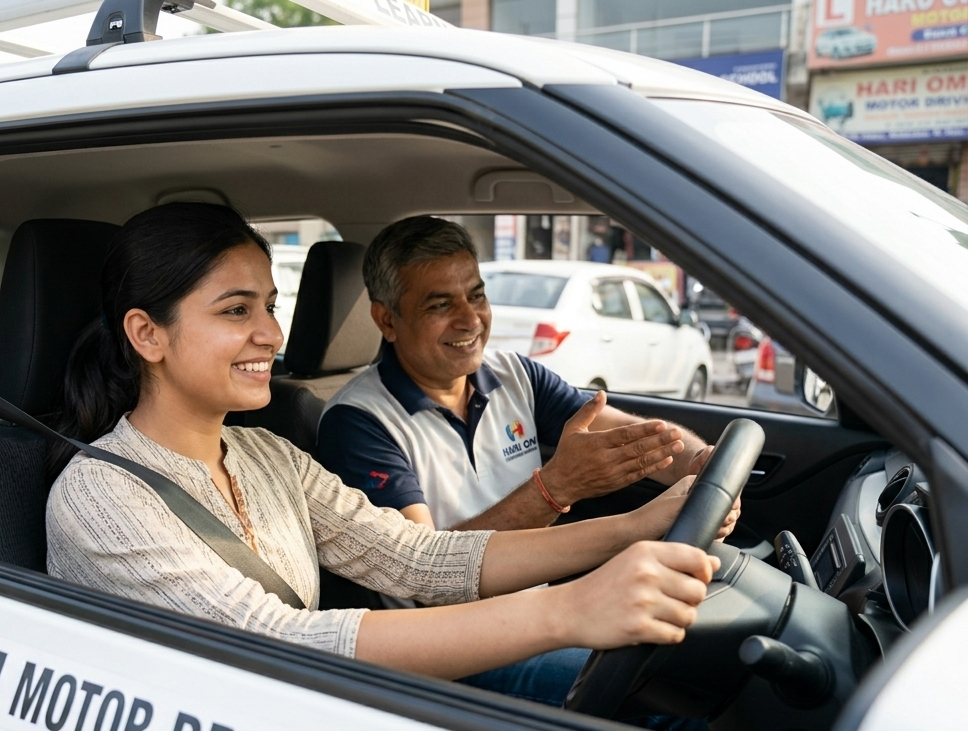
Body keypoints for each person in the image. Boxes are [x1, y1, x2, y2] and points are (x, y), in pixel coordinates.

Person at [45, 202, 718, 702]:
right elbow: (274, 640)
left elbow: (418, 558)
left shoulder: (265, 455)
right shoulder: (98, 494)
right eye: (236, 311)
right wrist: (569, 611)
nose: (272, 334)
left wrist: (638, 527)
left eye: (271, 307)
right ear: (147, 335)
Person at [316, 215, 722, 538]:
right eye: (441, 305)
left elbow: (637, 439)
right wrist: (554, 488)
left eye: (476, 295)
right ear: (387, 320)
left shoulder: (515, 375)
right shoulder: (357, 421)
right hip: (462, 635)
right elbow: (420, 573)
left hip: (541, 609)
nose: (471, 319)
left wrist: (700, 465)